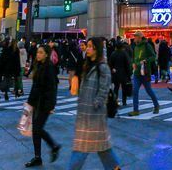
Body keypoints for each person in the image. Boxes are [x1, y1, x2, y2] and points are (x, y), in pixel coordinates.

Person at [67, 37, 121, 170]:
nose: (87, 48)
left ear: (97, 49)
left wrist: (95, 104)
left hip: (93, 117)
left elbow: (104, 90)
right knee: (103, 149)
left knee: (81, 149)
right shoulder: (88, 65)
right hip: (86, 115)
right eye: (87, 46)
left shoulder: (102, 67)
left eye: (90, 46)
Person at [26, 44, 61, 167]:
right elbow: (35, 87)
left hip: (44, 104)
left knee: (37, 129)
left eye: (41, 52)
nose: (38, 54)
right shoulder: (39, 65)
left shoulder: (49, 67)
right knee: (35, 131)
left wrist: (51, 106)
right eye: (37, 52)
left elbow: (52, 88)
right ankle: (37, 157)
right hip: (36, 102)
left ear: (46, 54)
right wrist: (29, 102)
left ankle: (54, 146)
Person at [128, 32, 159, 116]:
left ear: (140, 38)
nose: (134, 38)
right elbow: (134, 58)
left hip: (145, 72)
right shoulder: (135, 47)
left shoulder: (147, 46)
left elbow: (153, 56)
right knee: (135, 91)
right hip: (137, 72)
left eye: (136, 37)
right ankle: (136, 110)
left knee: (149, 90)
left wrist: (145, 61)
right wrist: (133, 63)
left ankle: (156, 105)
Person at [108, 40, 131, 108]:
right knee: (124, 88)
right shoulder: (124, 53)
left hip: (116, 73)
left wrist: (112, 69)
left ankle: (115, 101)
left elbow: (110, 64)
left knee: (116, 88)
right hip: (124, 73)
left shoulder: (113, 53)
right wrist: (129, 73)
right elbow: (127, 64)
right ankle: (124, 101)